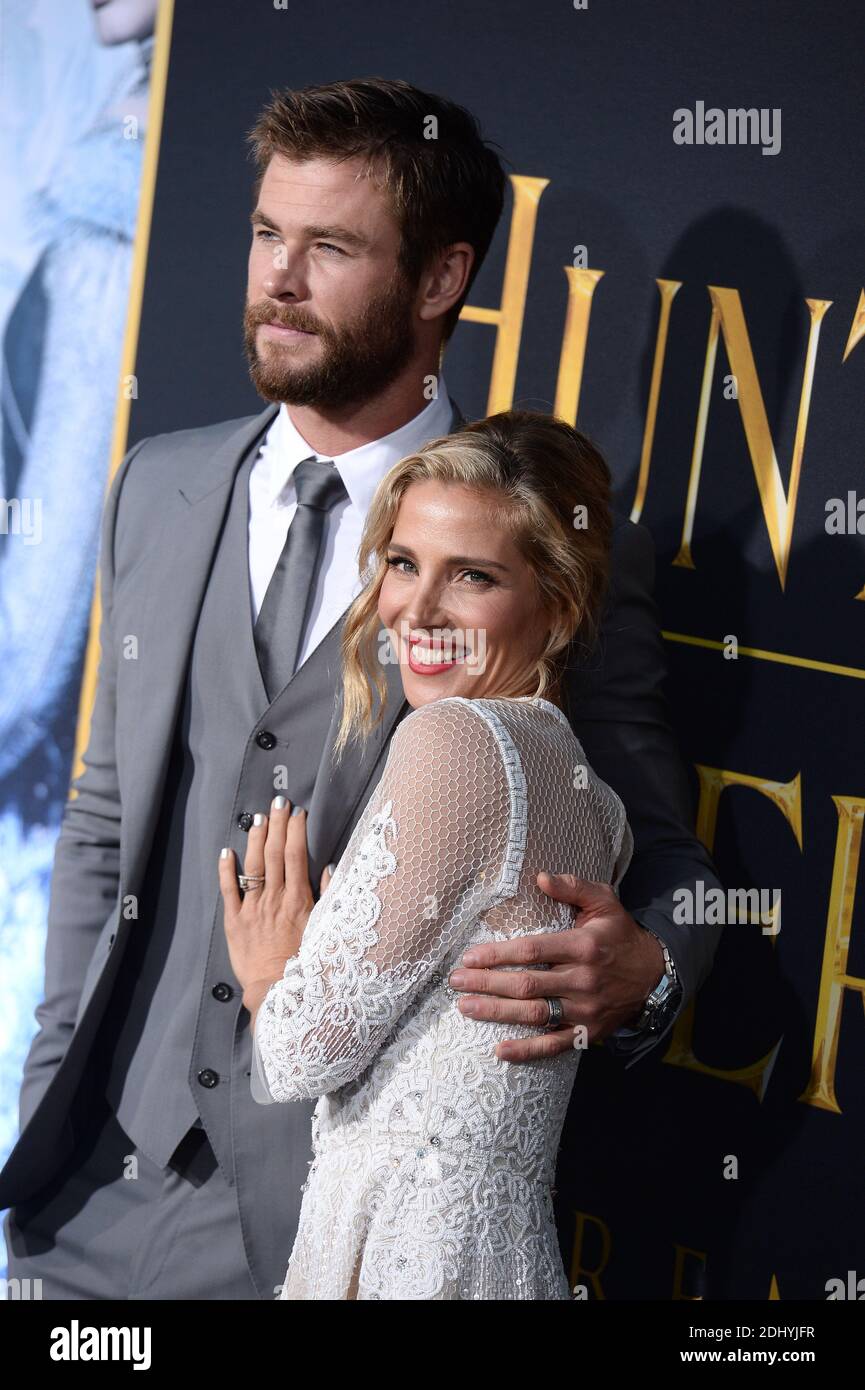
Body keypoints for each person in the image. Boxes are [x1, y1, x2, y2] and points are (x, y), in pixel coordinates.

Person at [1, 78, 722, 1300]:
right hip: (87, 1202)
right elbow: (104, 826)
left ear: (440, 281)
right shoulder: (160, 487)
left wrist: (649, 974)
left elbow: (664, 851)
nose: (278, 277)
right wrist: (47, 1093)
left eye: (328, 247)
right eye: (266, 234)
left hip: (316, 1226)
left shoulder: (535, 547)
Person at [220, 409, 633, 1300]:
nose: (417, 609)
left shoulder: (455, 740)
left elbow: (297, 1055)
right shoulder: (592, 801)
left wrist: (266, 966)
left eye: (472, 576)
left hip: (403, 1250)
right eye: (404, 563)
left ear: (555, 606)